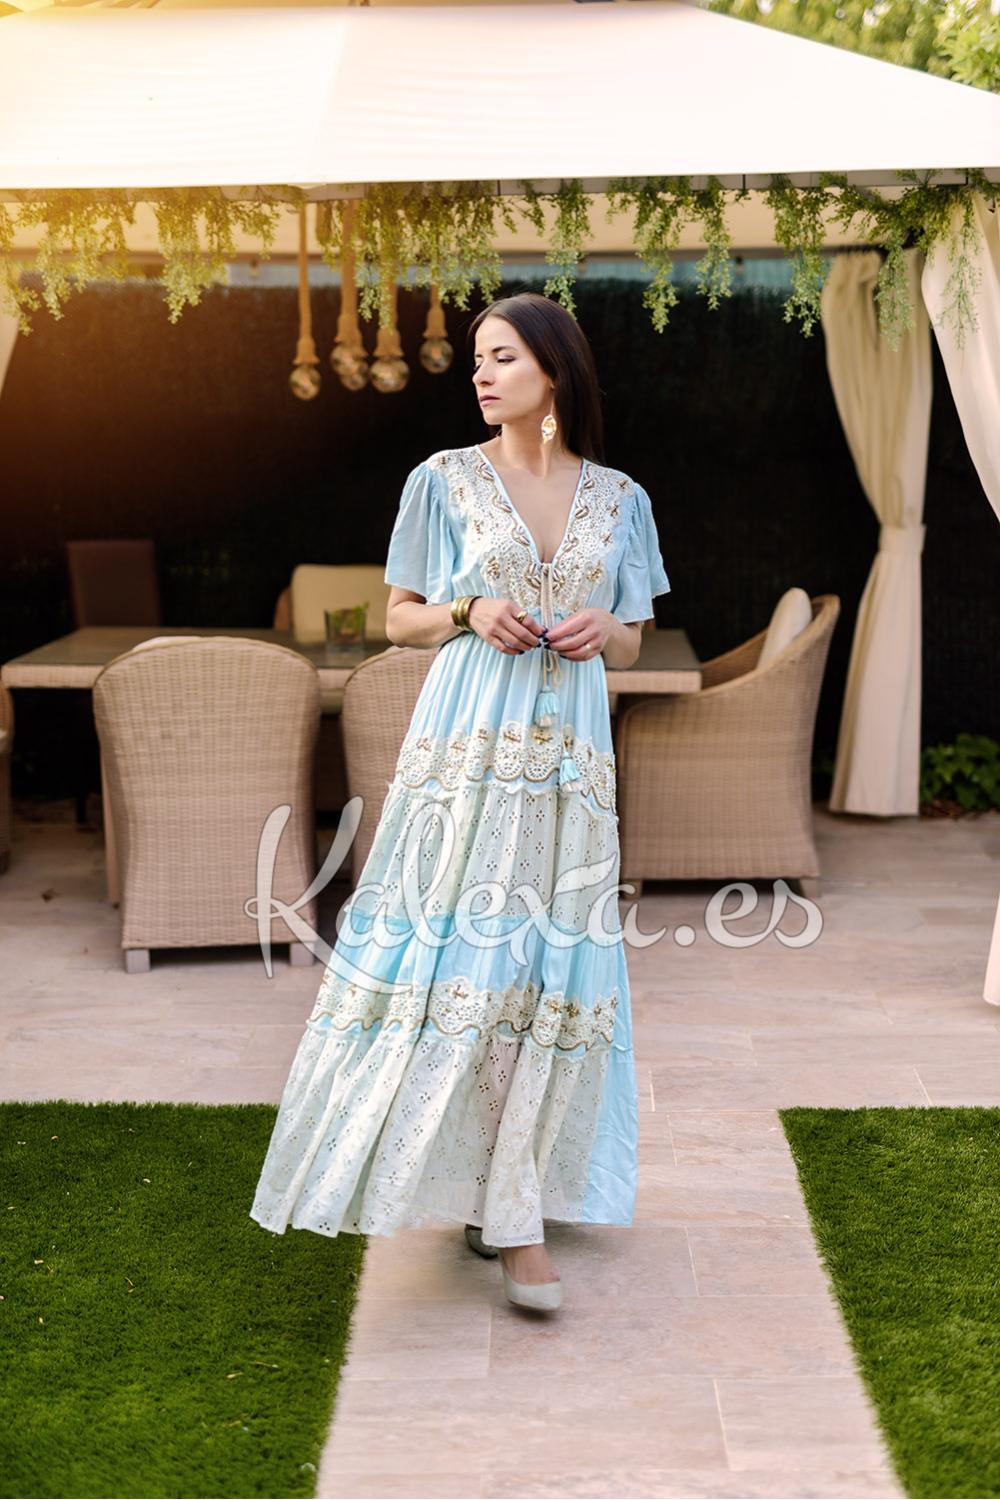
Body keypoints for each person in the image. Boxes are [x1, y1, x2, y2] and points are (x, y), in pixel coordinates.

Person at [250, 290, 671, 1314]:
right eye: (478, 358)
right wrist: (467, 607)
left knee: (552, 968)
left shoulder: (621, 499)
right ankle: (511, 1220)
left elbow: (634, 635)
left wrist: (602, 633)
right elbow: (398, 617)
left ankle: (507, 1190)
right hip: (467, 753)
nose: (480, 374)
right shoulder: (442, 480)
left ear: (555, 371)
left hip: (572, 767)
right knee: (469, 961)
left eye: (502, 357)